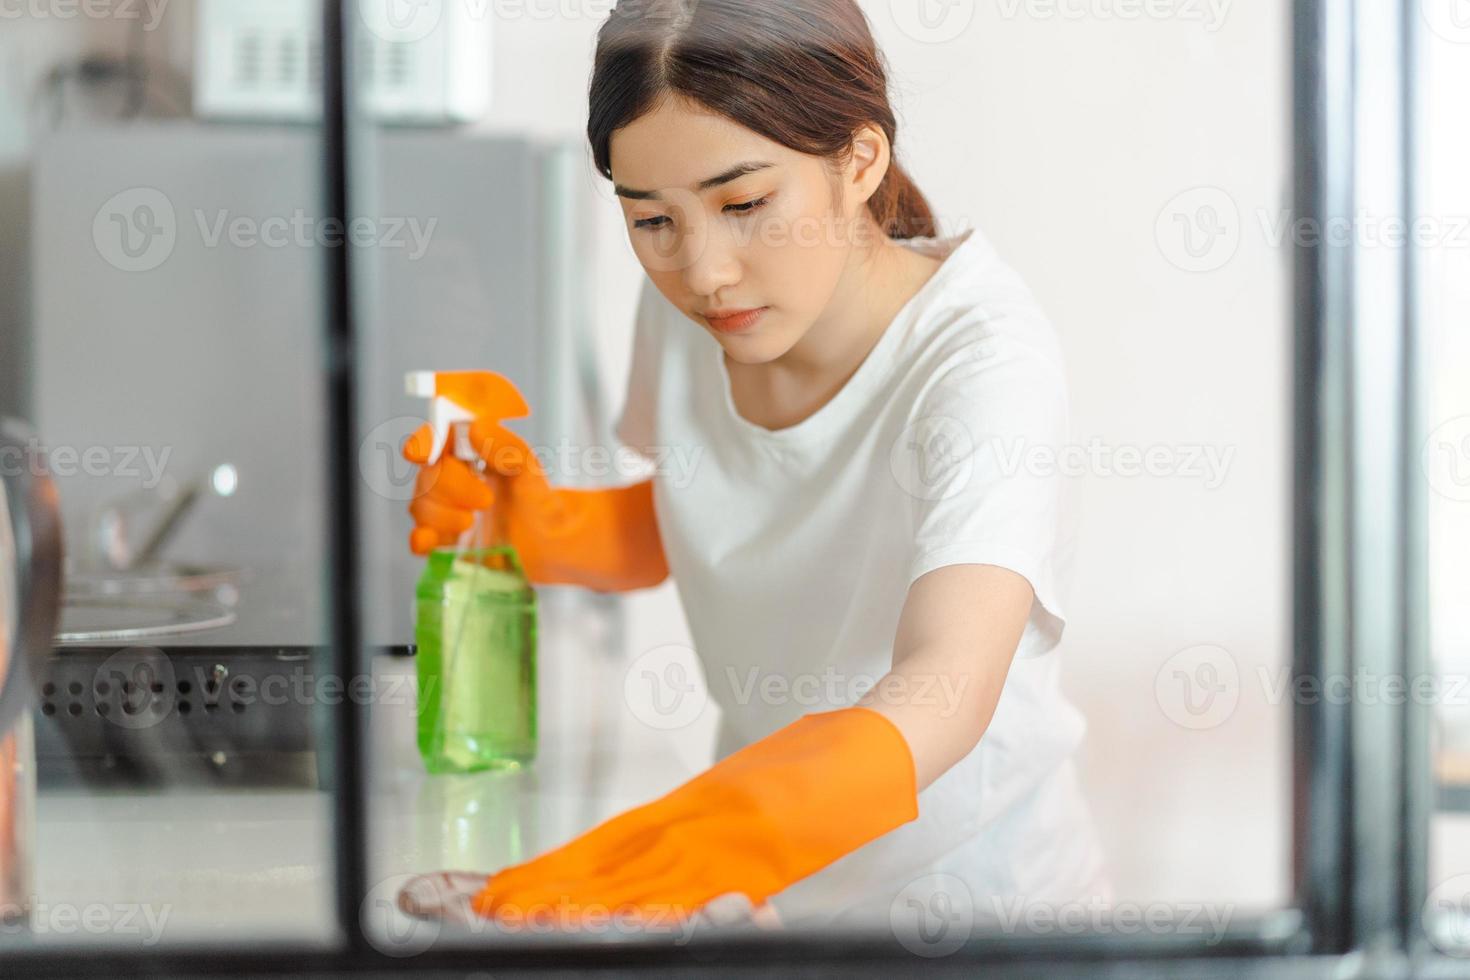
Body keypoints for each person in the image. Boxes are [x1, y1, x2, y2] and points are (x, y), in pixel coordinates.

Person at [398, 0, 1111, 934]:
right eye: (652, 220)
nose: (705, 269)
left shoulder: (982, 364)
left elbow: (948, 682)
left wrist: (731, 827)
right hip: (770, 902)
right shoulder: (700, 306)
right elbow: (715, 516)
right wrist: (545, 529)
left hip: (978, 911)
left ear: (859, 163)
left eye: (744, 205)